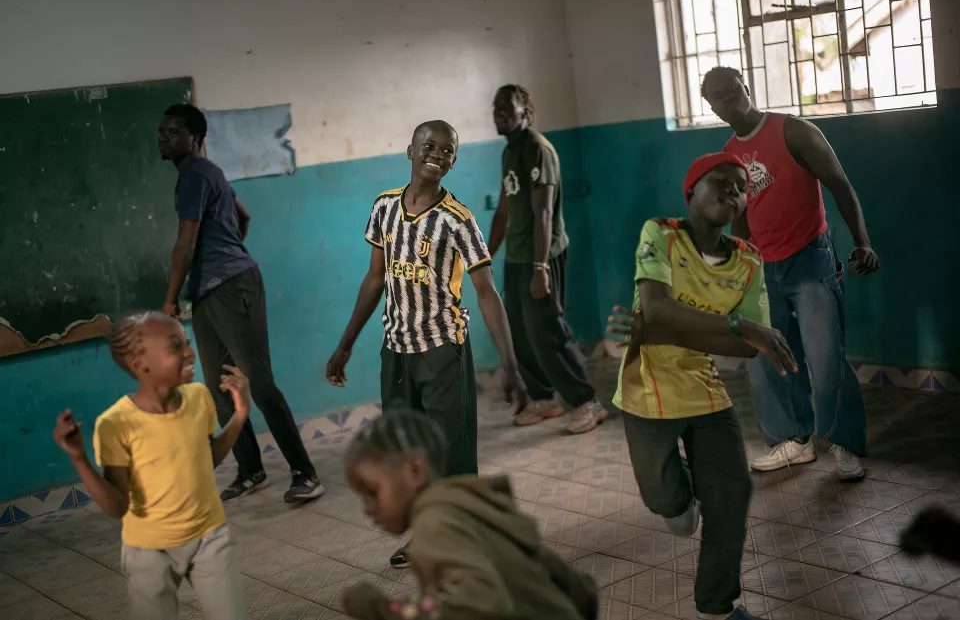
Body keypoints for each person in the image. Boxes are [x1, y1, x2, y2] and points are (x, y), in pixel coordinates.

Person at [326, 120, 528, 569]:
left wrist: (511, 364)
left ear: (454, 160)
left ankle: (465, 537)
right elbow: (375, 278)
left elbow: (487, 292)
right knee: (406, 455)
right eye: (428, 145)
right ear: (410, 150)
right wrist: (345, 344)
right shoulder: (384, 208)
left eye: (447, 150)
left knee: (451, 454)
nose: (437, 154)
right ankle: (426, 536)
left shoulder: (458, 221)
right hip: (395, 353)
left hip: (442, 351)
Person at [606, 154, 798, 620]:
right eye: (721, 183)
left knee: (732, 494)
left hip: (704, 389)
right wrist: (736, 326)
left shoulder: (749, 260)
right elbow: (658, 307)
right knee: (667, 503)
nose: (732, 193)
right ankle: (680, 494)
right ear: (691, 190)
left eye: (741, 189)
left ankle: (718, 605)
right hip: (645, 389)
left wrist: (667, 328)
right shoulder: (662, 234)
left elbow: (749, 348)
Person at [701, 67, 879, 481]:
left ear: (746, 87)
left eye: (733, 92)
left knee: (825, 357)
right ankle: (792, 442)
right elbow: (739, 219)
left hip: (810, 259)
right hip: (762, 267)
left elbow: (839, 184)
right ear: (711, 106)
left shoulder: (794, 131)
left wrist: (862, 242)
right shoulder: (728, 154)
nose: (729, 102)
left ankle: (845, 444)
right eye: (719, 98)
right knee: (768, 357)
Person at [158, 104, 323, 502]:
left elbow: (187, 241)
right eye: (162, 131)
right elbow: (243, 217)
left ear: (195, 138)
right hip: (212, 290)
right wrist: (225, 258)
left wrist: (170, 298)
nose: (163, 138)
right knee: (218, 385)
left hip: (232, 288)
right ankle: (251, 470)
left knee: (259, 381)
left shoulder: (197, 174)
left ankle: (305, 473)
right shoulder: (203, 173)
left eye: (173, 132)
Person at [52, 311, 251, 620]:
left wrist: (239, 416)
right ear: (140, 365)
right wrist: (79, 458)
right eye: (176, 346)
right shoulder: (116, 424)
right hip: (149, 552)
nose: (190, 351)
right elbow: (118, 506)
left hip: (209, 537)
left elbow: (207, 458)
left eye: (187, 342)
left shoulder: (199, 398)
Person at [340, 409, 599, 620]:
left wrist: (382, 610)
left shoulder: (434, 524)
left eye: (372, 492)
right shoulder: (467, 505)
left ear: (415, 471)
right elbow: (557, 572)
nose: (367, 508)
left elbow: (479, 604)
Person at [488, 84, 605, 434]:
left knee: (547, 331)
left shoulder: (538, 150)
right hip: (518, 258)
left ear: (527, 111)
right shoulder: (510, 152)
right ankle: (543, 398)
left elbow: (543, 214)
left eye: (508, 108)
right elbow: (505, 211)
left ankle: (586, 402)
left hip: (543, 256)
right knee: (519, 331)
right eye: (496, 109)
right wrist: (484, 255)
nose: (501, 114)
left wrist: (540, 269)